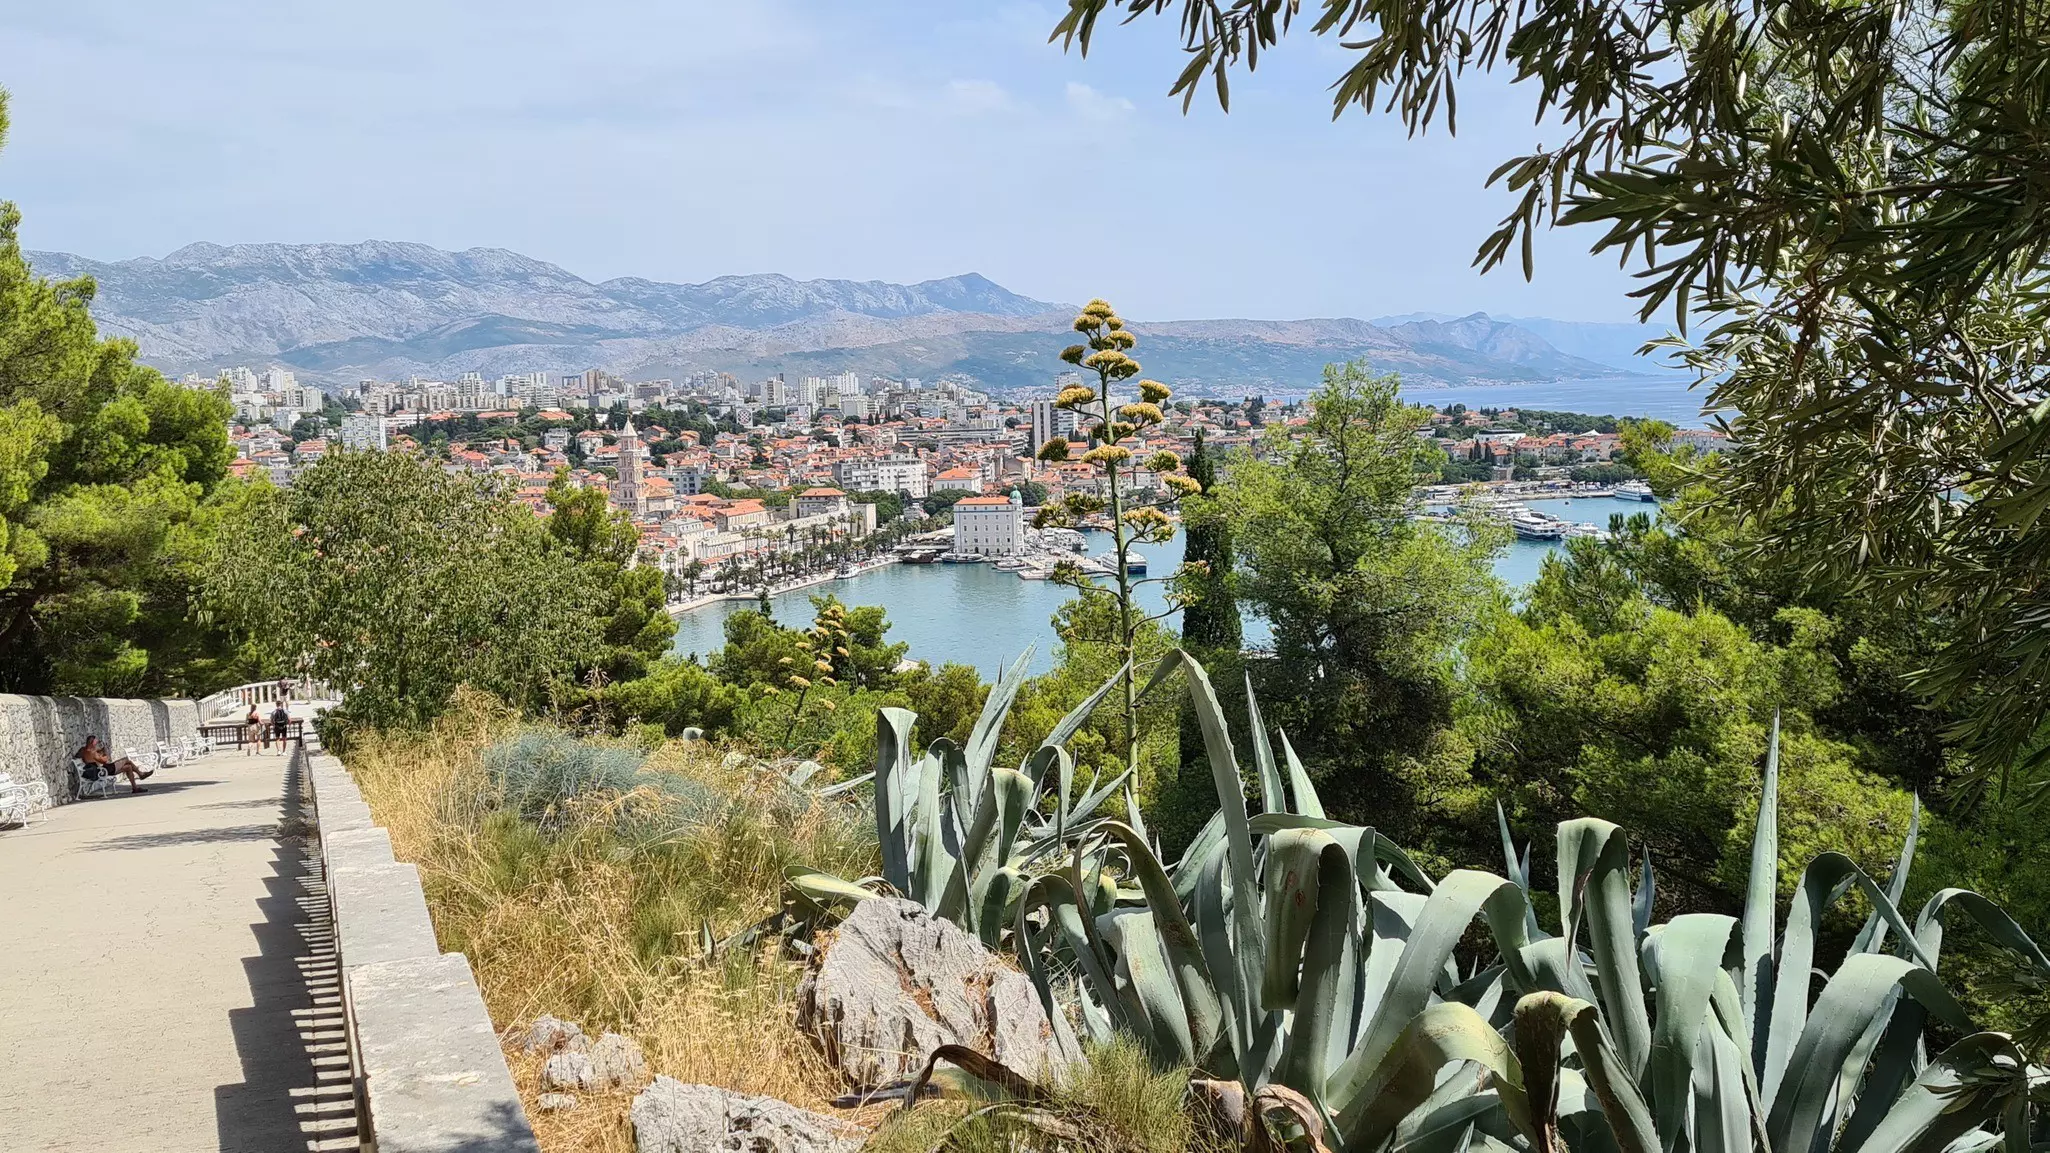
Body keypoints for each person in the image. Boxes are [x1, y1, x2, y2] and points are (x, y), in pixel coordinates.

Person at [78, 735, 150, 794]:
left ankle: (135, 788)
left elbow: (82, 756)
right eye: (95, 743)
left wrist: (97, 752)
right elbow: (105, 761)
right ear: (92, 743)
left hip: (99, 770)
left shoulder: (82, 750)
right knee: (127, 760)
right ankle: (141, 774)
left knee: (128, 767)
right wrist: (104, 752)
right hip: (104, 771)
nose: (96, 744)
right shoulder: (93, 752)